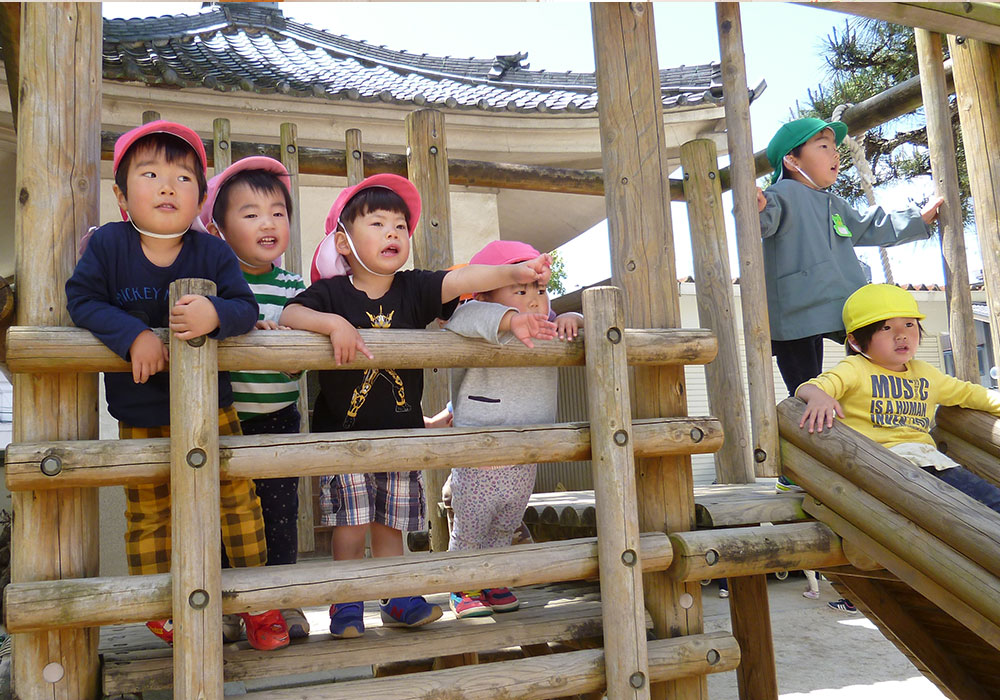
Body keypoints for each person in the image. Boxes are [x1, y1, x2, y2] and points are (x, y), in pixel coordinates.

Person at [279, 173, 552, 638]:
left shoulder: (413, 289)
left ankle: (398, 596)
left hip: (402, 436)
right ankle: (346, 603)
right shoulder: (332, 295)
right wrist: (332, 325)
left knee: (391, 525)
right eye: (378, 224)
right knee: (351, 527)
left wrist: (512, 274)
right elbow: (289, 314)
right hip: (344, 438)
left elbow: (464, 279)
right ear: (343, 243)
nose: (393, 233)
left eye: (401, 227)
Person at [65, 121, 289, 651]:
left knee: (237, 499)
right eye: (150, 174)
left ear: (201, 198)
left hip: (214, 406)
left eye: (183, 177)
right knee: (149, 507)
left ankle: (259, 602)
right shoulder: (109, 246)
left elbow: (245, 307)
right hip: (140, 408)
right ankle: (158, 606)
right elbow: (82, 300)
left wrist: (216, 312)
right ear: (121, 195)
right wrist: (133, 335)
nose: (168, 186)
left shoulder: (210, 252)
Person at [756, 117, 944, 494]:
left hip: (845, 308)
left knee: (869, 371)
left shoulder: (836, 203)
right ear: (793, 162)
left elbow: (873, 225)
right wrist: (754, 204)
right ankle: (797, 466)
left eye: (835, 147)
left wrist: (917, 219)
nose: (835, 155)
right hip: (796, 313)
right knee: (804, 390)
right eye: (823, 147)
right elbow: (760, 221)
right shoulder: (779, 195)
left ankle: (880, 434)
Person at [797, 284, 1000, 612]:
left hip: (931, 465)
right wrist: (818, 395)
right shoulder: (856, 369)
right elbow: (812, 387)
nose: (901, 335)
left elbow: (970, 394)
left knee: (986, 500)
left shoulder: (926, 374)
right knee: (968, 511)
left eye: (909, 325)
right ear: (855, 341)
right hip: (883, 469)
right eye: (886, 328)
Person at [199, 156, 309, 641]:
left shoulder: (295, 289)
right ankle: (225, 607)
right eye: (250, 213)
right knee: (222, 514)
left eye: (278, 212)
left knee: (279, 514)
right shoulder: (215, 286)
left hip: (279, 417)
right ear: (218, 228)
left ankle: (281, 604)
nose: (268, 222)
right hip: (223, 419)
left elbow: (306, 348)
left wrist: (292, 350)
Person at [443, 240, 583, 618]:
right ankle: (462, 585)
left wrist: (574, 319)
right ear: (487, 293)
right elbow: (460, 320)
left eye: (539, 289)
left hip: (529, 447)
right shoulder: (476, 314)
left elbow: (578, 324)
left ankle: (494, 577)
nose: (535, 299)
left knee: (507, 520)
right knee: (472, 523)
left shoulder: (548, 324)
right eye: (520, 290)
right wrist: (509, 320)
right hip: (481, 447)